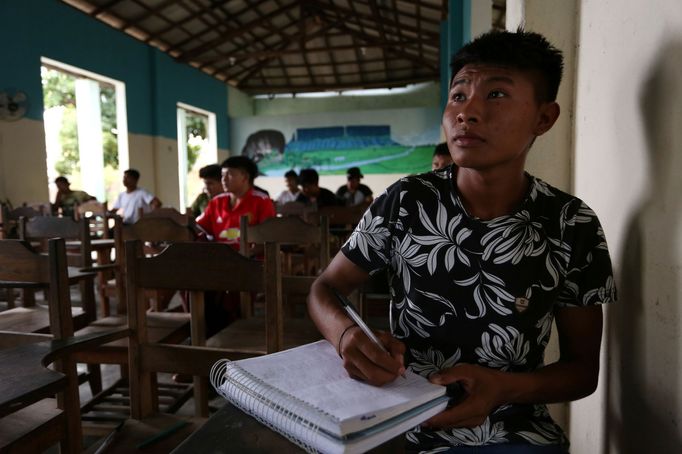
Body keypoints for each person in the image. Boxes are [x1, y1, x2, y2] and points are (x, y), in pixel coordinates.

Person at [307, 29, 616, 453]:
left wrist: (503, 388)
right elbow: (324, 288)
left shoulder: (570, 224)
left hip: (511, 426)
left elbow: (583, 372)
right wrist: (347, 336)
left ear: (544, 118)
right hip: (395, 417)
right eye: (458, 95)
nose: (467, 113)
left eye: (496, 96)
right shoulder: (407, 201)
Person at [197, 155, 276, 250]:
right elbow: (200, 228)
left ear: (245, 177)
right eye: (222, 175)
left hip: (252, 260)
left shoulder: (262, 201)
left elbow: (268, 238)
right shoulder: (216, 202)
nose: (224, 180)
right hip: (219, 258)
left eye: (229, 175)